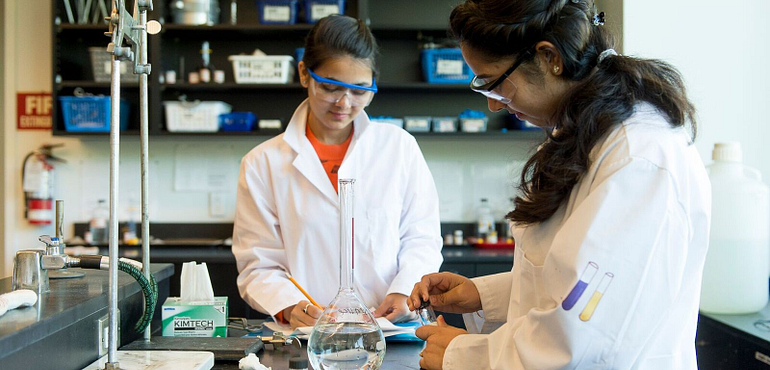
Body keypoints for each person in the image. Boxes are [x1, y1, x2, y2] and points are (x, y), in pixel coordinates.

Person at [408, 1, 711, 369]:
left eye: (494, 83)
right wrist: (481, 295)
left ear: (549, 57)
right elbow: (577, 284)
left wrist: (462, 354)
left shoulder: (638, 158)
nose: (493, 106)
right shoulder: (583, 131)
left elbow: (584, 336)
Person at [233, 15, 443, 329]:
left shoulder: (399, 148)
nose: (344, 103)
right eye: (331, 87)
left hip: (390, 329)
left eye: (360, 91)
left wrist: (404, 291)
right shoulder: (262, 163)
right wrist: (289, 305)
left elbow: (421, 239)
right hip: (309, 335)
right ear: (304, 73)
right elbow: (257, 265)